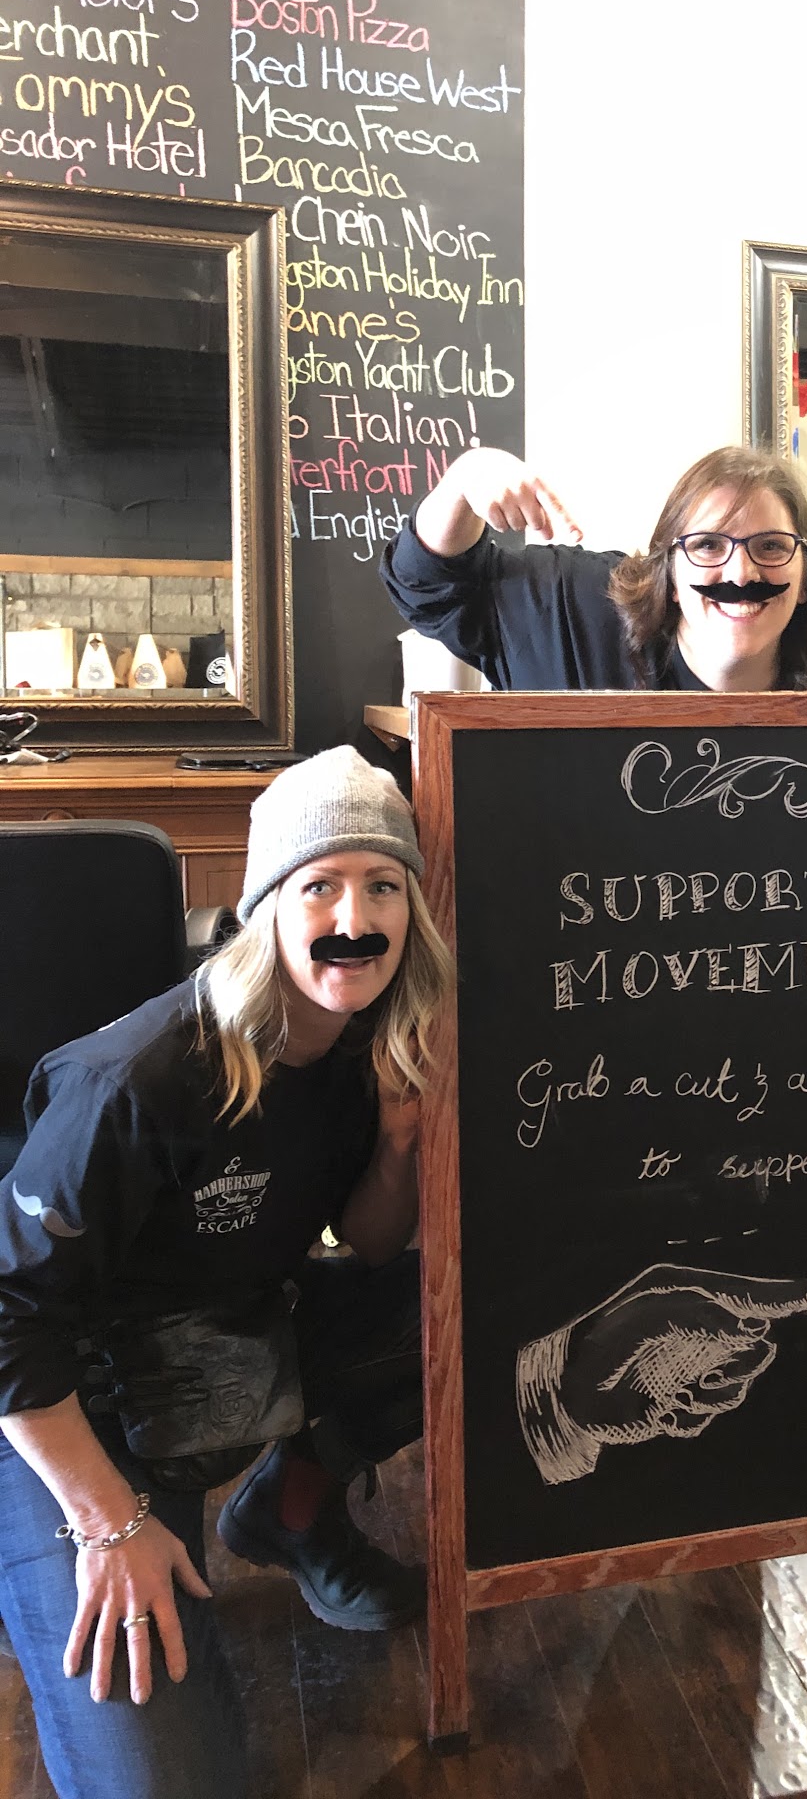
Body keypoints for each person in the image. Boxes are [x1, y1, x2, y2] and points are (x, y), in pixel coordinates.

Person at [0, 747, 455, 1799]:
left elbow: (372, 1246)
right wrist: (109, 1523)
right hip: (76, 1407)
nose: (355, 916)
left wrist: (398, 1143)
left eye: (383, 885)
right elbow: (9, 1318)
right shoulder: (137, 1079)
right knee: (162, 1784)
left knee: (458, 1307)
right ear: (266, 907)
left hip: (230, 1339)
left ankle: (288, 1510)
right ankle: (38, 1554)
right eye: (321, 884)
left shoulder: (368, 1044)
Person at [380, 442, 807, 692]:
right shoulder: (571, 607)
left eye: (771, 546)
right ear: (670, 576)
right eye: (706, 545)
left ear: (806, 580)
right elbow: (425, 584)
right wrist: (467, 476)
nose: (741, 574)